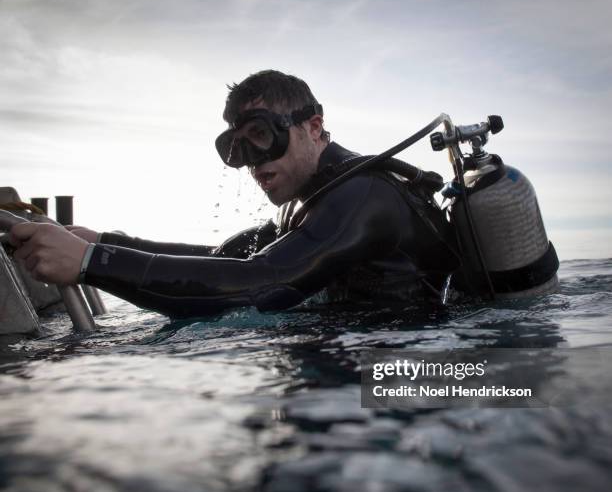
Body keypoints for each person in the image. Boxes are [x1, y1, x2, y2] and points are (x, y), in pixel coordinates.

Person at [9, 70, 458, 318]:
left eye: (260, 136)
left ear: (313, 127)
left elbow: (260, 283)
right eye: (235, 146)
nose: (248, 160)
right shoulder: (312, 199)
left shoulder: (360, 196)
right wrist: (104, 243)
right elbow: (225, 257)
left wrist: (91, 265)